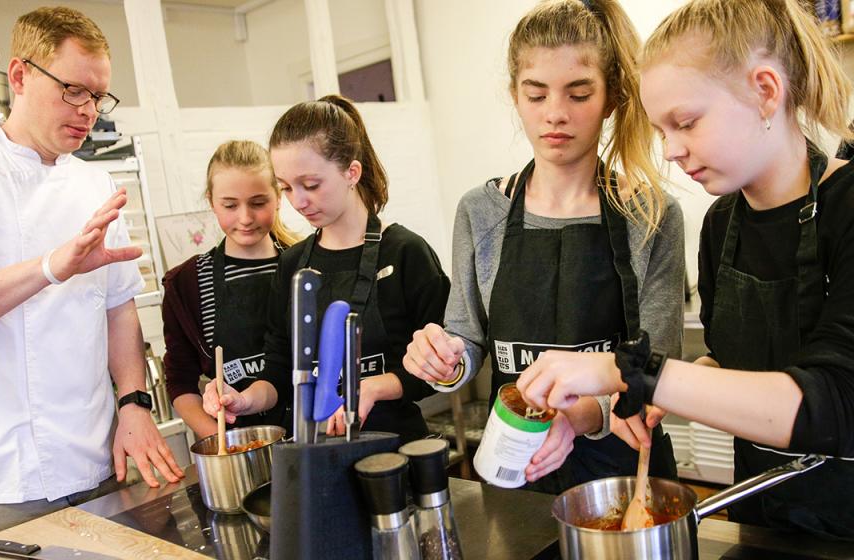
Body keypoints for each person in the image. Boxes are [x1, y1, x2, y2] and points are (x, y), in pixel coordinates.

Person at [516, 0, 854, 539]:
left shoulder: (847, 209)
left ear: (766, 90)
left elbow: (837, 404)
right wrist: (666, 394)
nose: (671, 151)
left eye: (686, 123)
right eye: (661, 131)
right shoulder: (723, 224)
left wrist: (632, 372)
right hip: (763, 519)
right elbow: (734, 360)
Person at [0, 7, 183, 544]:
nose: (89, 111)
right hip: (0, 479)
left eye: (99, 96)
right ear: (21, 75)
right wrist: (51, 267)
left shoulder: (95, 185)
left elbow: (118, 308)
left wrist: (135, 403)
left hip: (100, 461)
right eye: (74, 90)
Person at [402, 0, 685, 492]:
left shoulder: (650, 215)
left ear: (612, 96)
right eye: (536, 95)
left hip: (622, 464)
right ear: (515, 95)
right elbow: (467, 338)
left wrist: (577, 419)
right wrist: (444, 360)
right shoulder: (481, 210)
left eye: (579, 94)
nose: (555, 114)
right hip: (513, 458)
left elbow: (659, 369)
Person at [203, 95, 450, 443]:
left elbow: (440, 369)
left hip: (396, 453)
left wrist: (371, 388)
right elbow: (278, 373)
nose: (298, 201)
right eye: (286, 187)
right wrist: (242, 399)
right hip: (315, 452)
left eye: (311, 185)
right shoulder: (291, 266)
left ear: (352, 172)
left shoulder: (405, 253)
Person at [162, 140, 299, 437]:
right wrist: (221, 440)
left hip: (314, 434)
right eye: (230, 205)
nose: (245, 218)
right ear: (211, 201)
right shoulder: (187, 284)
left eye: (258, 202)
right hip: (239, 444)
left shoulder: (305, 264)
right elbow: (180, 379)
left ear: (279, 197)